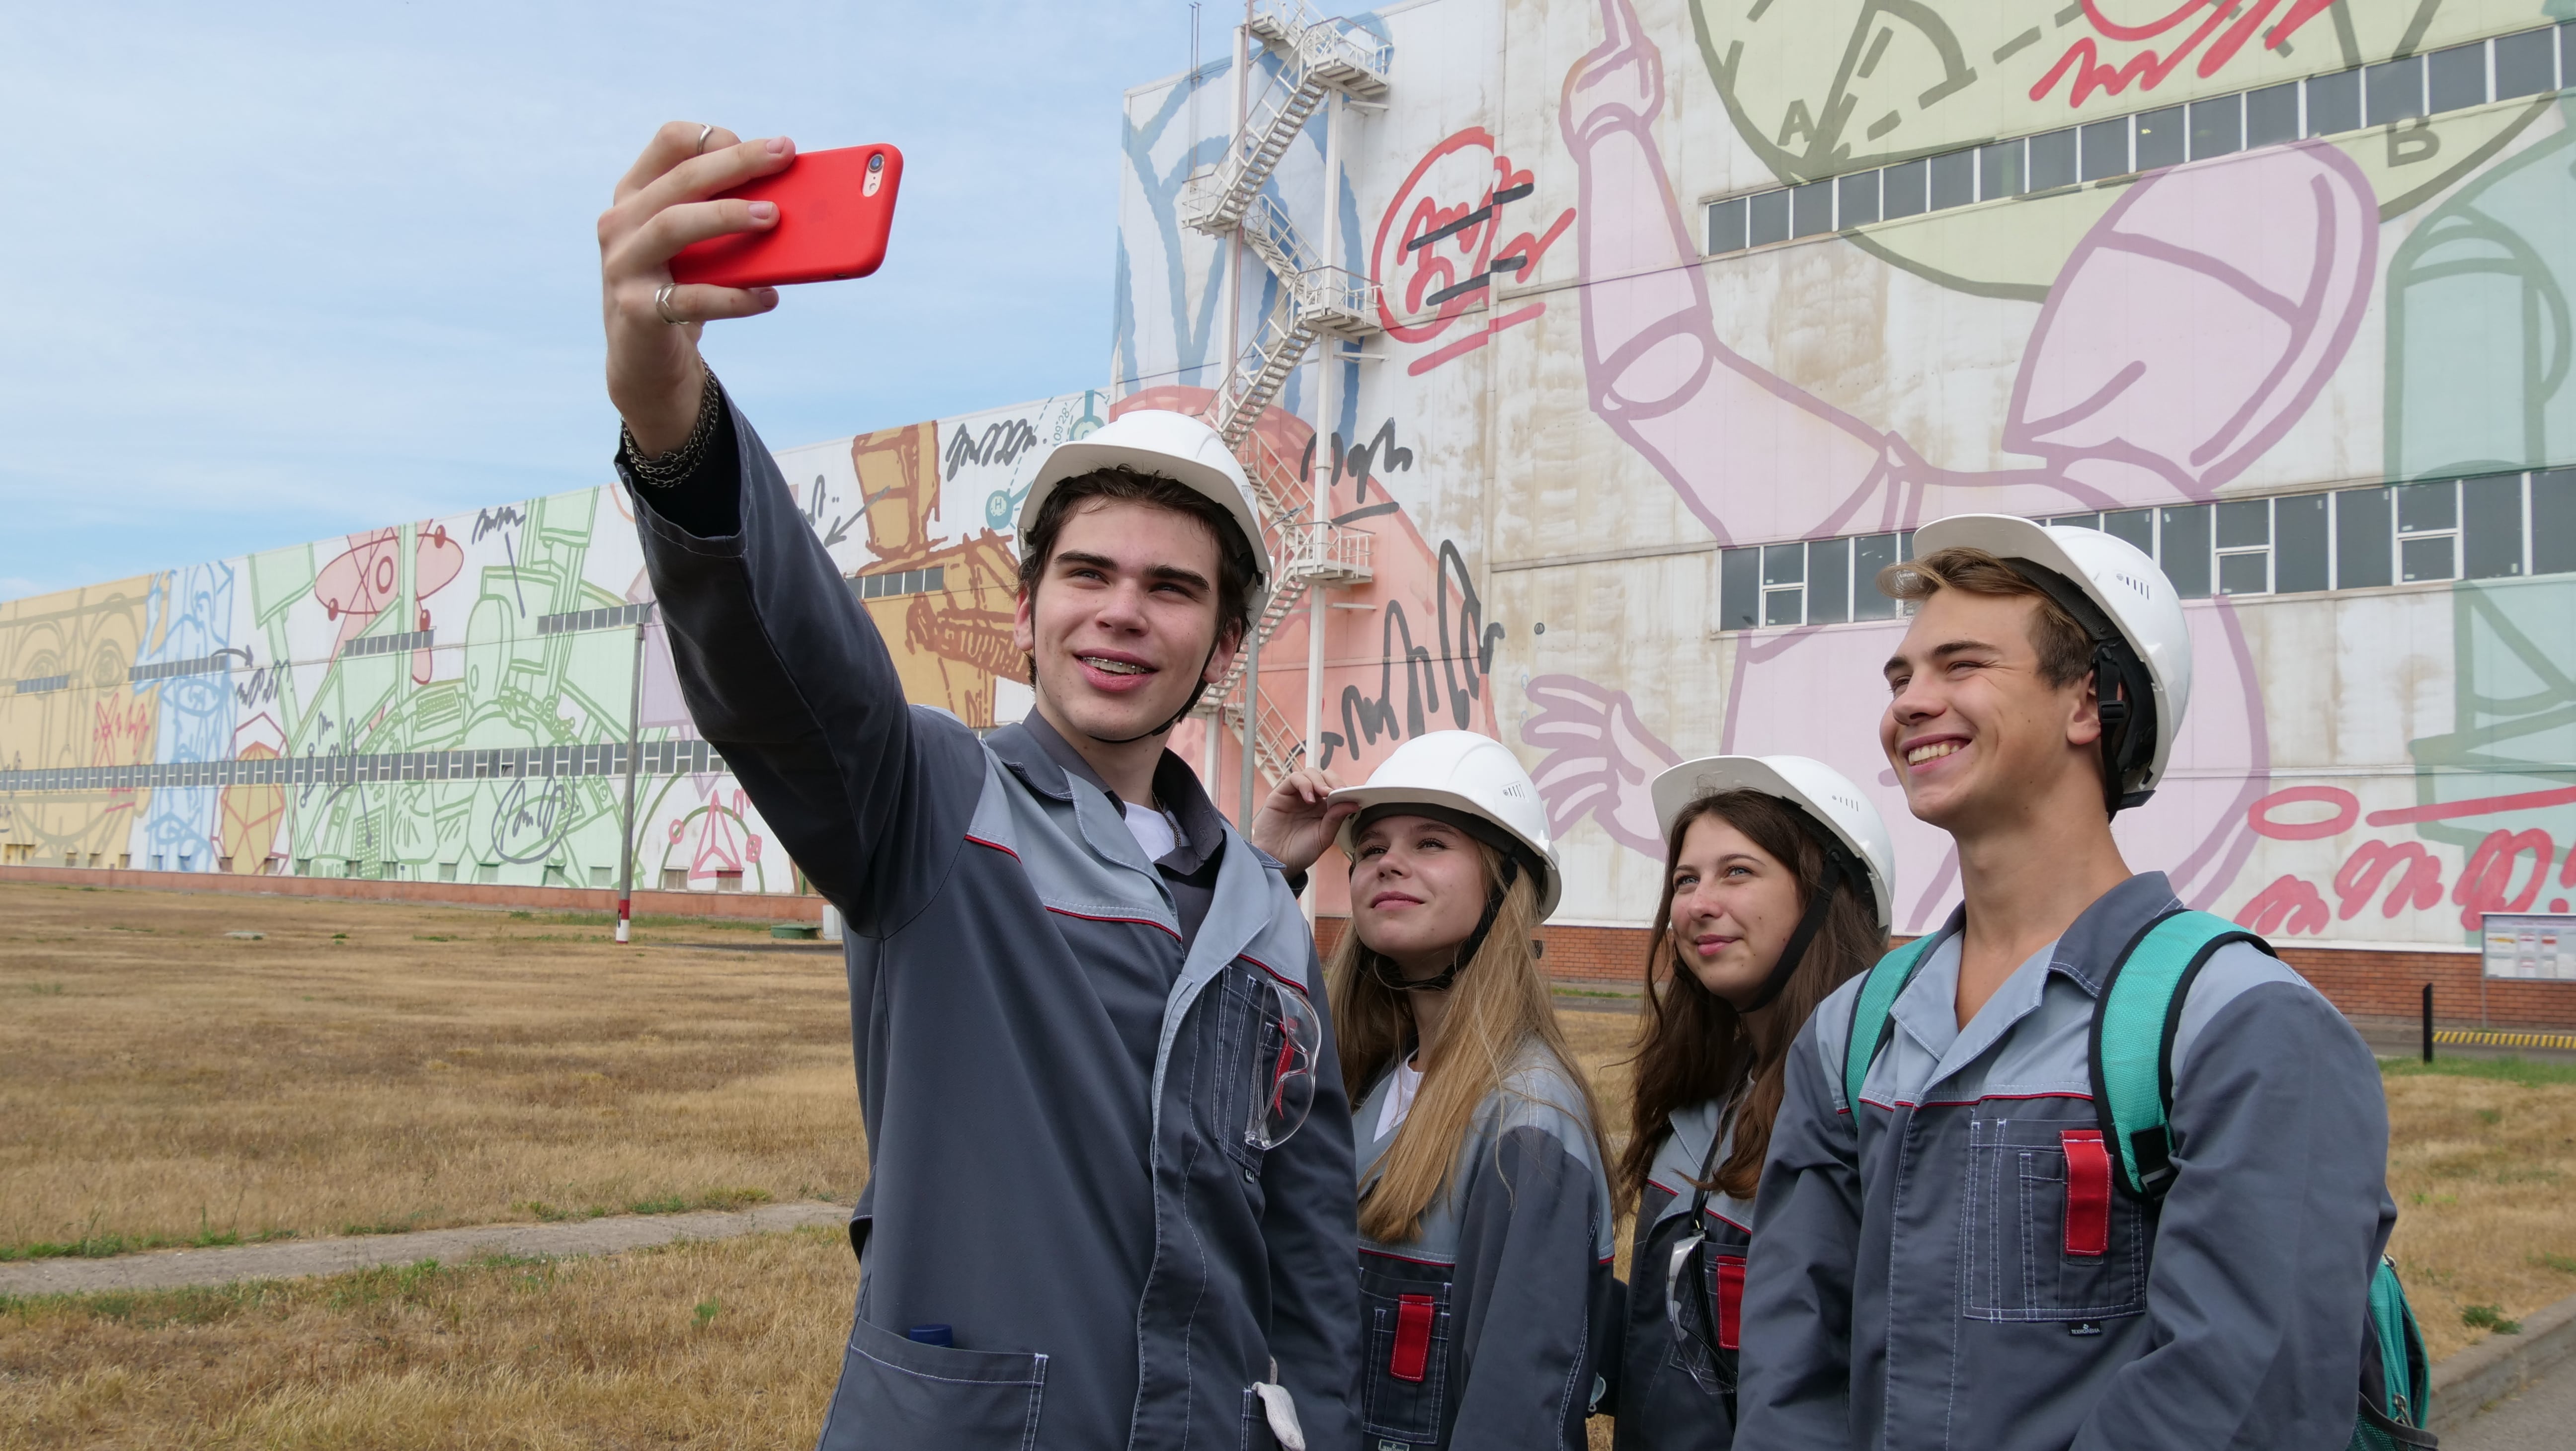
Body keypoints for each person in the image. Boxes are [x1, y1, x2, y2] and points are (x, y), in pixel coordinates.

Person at [597, 124, 1358, 1451]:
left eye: (1173, 589)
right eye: (1089, 575)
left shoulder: (1266, 916)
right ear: (1027, 612)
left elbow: (1308, 1251)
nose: (1123, 615)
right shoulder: (933, 808)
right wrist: (671, 421)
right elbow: (787, 665)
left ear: (1224, 648)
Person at [1735, 515, 2397, 1450]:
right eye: (1901, 677)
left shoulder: (2244, 1028)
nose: (1910, 704)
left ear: (2090, 701)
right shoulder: (1850, 1036)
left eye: (1961, 666)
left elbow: (2241, 1404)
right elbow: (1792, 1374)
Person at [1256, 730, 1616, 1451]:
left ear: (1506, 883)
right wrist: (1265, 868)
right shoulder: (1361, 1086)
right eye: (1372, 848)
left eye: (1430, 843)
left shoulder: (1529, 1123)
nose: (1389, 861)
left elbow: (1515, 1416)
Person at [1610, 756, 1893, 1450]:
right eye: (1685, 879)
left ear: (1831, 895)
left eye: (1737, 871)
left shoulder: (1877, 1107)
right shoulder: (1698, 1098)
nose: (1698, 904)